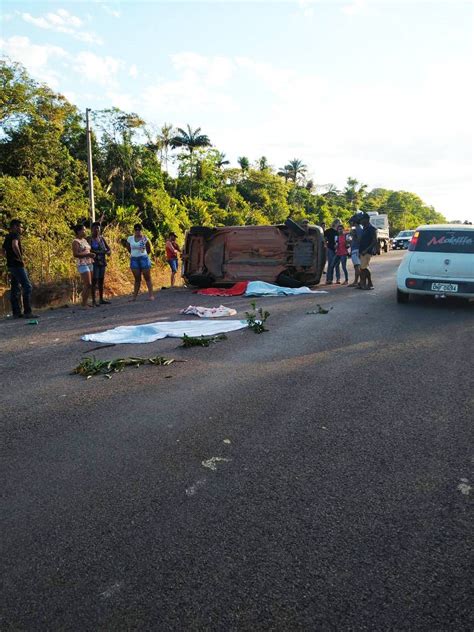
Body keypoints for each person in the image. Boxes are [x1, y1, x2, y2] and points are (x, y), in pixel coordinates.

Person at [1, 219, 37, 318]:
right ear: (15, 227)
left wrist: (9, 258)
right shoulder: (15, 235)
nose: (22, 229)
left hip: (11, 265)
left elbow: (2, 251)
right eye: (20, 226)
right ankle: (28, 312)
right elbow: (15, 245)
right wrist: (20, 258)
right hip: (17, 264)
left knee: (15, 288)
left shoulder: (7, 236)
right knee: (27, 286)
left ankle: (16, 313)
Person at [126, 223, 154, 301]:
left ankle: (151, 295)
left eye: (139, 229)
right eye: (136, 229)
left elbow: (148, 249)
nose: (137, 231)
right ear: (134, 230)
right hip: (134, 259)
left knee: (147, 277)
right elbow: (128, 248)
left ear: (141, 230)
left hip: (143, 258)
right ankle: (134, 297)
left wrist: (143, 254)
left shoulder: (144, 238)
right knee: (137, 278)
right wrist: (133, 254)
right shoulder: (130, 238)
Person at [88, 221, 111, 306]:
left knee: (101, 280)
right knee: (94, 281)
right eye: (95, 228)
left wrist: (108, 252)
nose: (97, 229)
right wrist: (101, 251)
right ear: (91, 229)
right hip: (94, 262)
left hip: (102, 261)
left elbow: (108, 248)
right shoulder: (90, 239)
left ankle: (101, 299)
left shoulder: (101, 238)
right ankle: (94, 300)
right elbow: (89, 250)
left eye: (98, 228)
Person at [72, 224, 95, 308]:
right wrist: (87, 254)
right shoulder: (75, 241)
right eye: (83, 230)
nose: (85, 231)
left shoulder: (84, 240)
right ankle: (83, 304)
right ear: (78, 231)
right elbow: (75, 254)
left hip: (89, 262)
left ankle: (85, 302)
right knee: (87, 283)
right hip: (82, 263)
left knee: (90, 284)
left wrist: (91, 254)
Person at [358, 213, 378, 290]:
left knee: (364, 268)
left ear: (366, 219)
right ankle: (364, 283)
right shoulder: (364, 228)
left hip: (367, 251)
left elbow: (374, 241)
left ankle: (369, 283)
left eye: (362, 219)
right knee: (363, 268)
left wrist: (366, 250)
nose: (361, 221)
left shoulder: (372, 228)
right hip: (362, 251)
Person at [324, 218, 341, 284]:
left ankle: (338, 279)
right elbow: (324, 238)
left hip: (338, 249)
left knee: (337, 264)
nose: (340, 225)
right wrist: (325, 244)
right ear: (336, 223)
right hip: (330, 249)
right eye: (339, 223)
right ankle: (329, 279)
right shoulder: (328, 231)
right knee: (330, 264)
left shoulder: (339, 231)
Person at [349, 220, 363, 287]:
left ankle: (359, 281)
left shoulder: (358, 229)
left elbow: (360, 240)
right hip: (356, 249)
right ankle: (357, 281)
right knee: (357, 266)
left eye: (351, 222)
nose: (350, 223)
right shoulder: (359, 228)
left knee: (357, 267)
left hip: (356, 249)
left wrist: (353, 235)